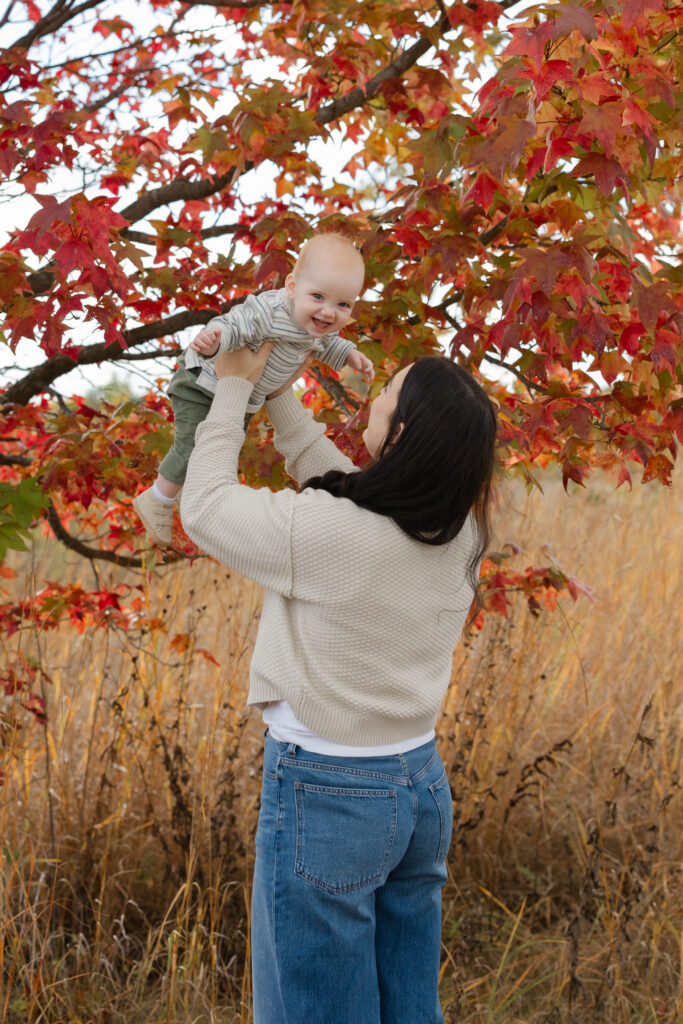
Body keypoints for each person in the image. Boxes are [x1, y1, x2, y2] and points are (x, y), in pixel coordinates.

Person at [180, 341, 497, 1024]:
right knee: (408, 1006)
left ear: (402, 432)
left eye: (385, 395)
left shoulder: (337, 536)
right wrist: (278, 389)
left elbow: (204, 507)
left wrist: (232, 392)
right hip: (415, 787)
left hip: (329, 794)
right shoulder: (459, 530)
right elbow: (349, 488)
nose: (373, 399)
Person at [133, 232, 374, 547]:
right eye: (318, 297)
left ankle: (181, 496)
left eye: (343, 304)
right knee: (195, 444)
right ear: (291, 287)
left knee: (219, 450)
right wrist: (214, 341)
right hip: (201, 380)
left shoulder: (315, 326)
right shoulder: (271, 310)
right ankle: (157, 499)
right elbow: (236, 324)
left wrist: (349, 355)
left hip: (240, 396)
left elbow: (328, 344)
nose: (329, 312)